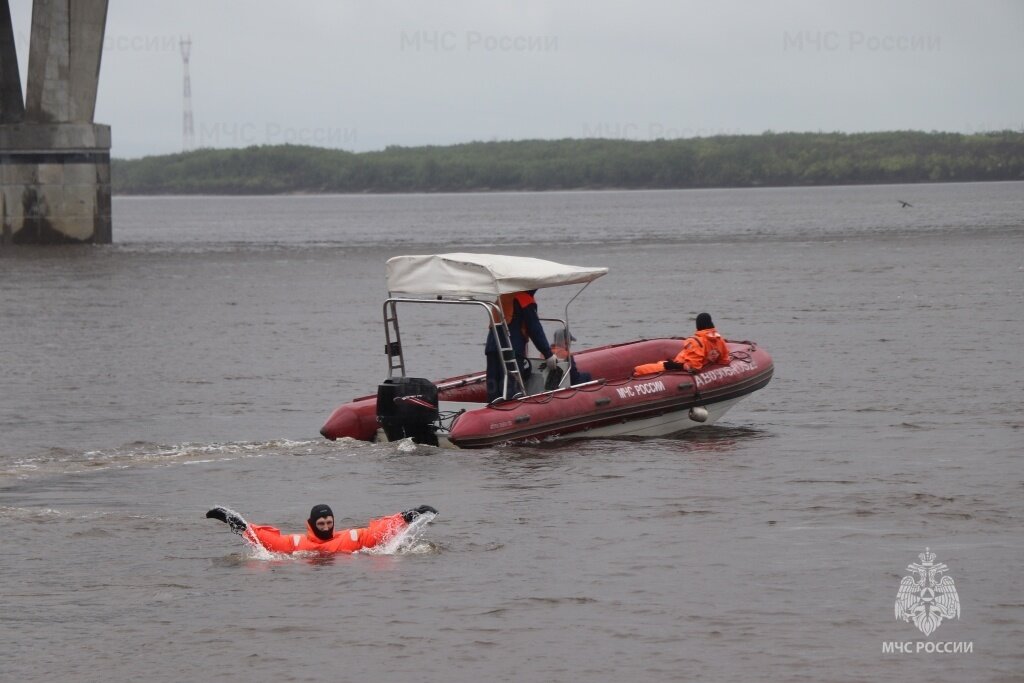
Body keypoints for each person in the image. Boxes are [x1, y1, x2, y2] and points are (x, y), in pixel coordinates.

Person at [206, 503, 437, 555]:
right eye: (321, 523)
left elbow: (380, 531)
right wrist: (228, 518)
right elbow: (261, 538)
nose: (326, 526)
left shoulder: (352, 537)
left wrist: (409, 515)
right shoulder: (296, 543)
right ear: (313, 524)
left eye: (329, 522)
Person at [485, 289, 557, 401]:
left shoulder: (503, 297)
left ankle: (491, 409)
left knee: (493, 385)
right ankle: (510, 409)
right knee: (511, 389)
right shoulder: (524, 300)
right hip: (511, 349)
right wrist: (548, 353)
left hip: (492, 347)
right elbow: (535, 329)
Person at [634, 312, 730, 375]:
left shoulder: (695, 341)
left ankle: (635, 372)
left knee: (639, 370)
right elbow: (724, 360)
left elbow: (692, 367)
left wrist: (673, 365)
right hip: (685, 363)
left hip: (678, 365)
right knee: (662, 363)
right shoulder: (719, 340)